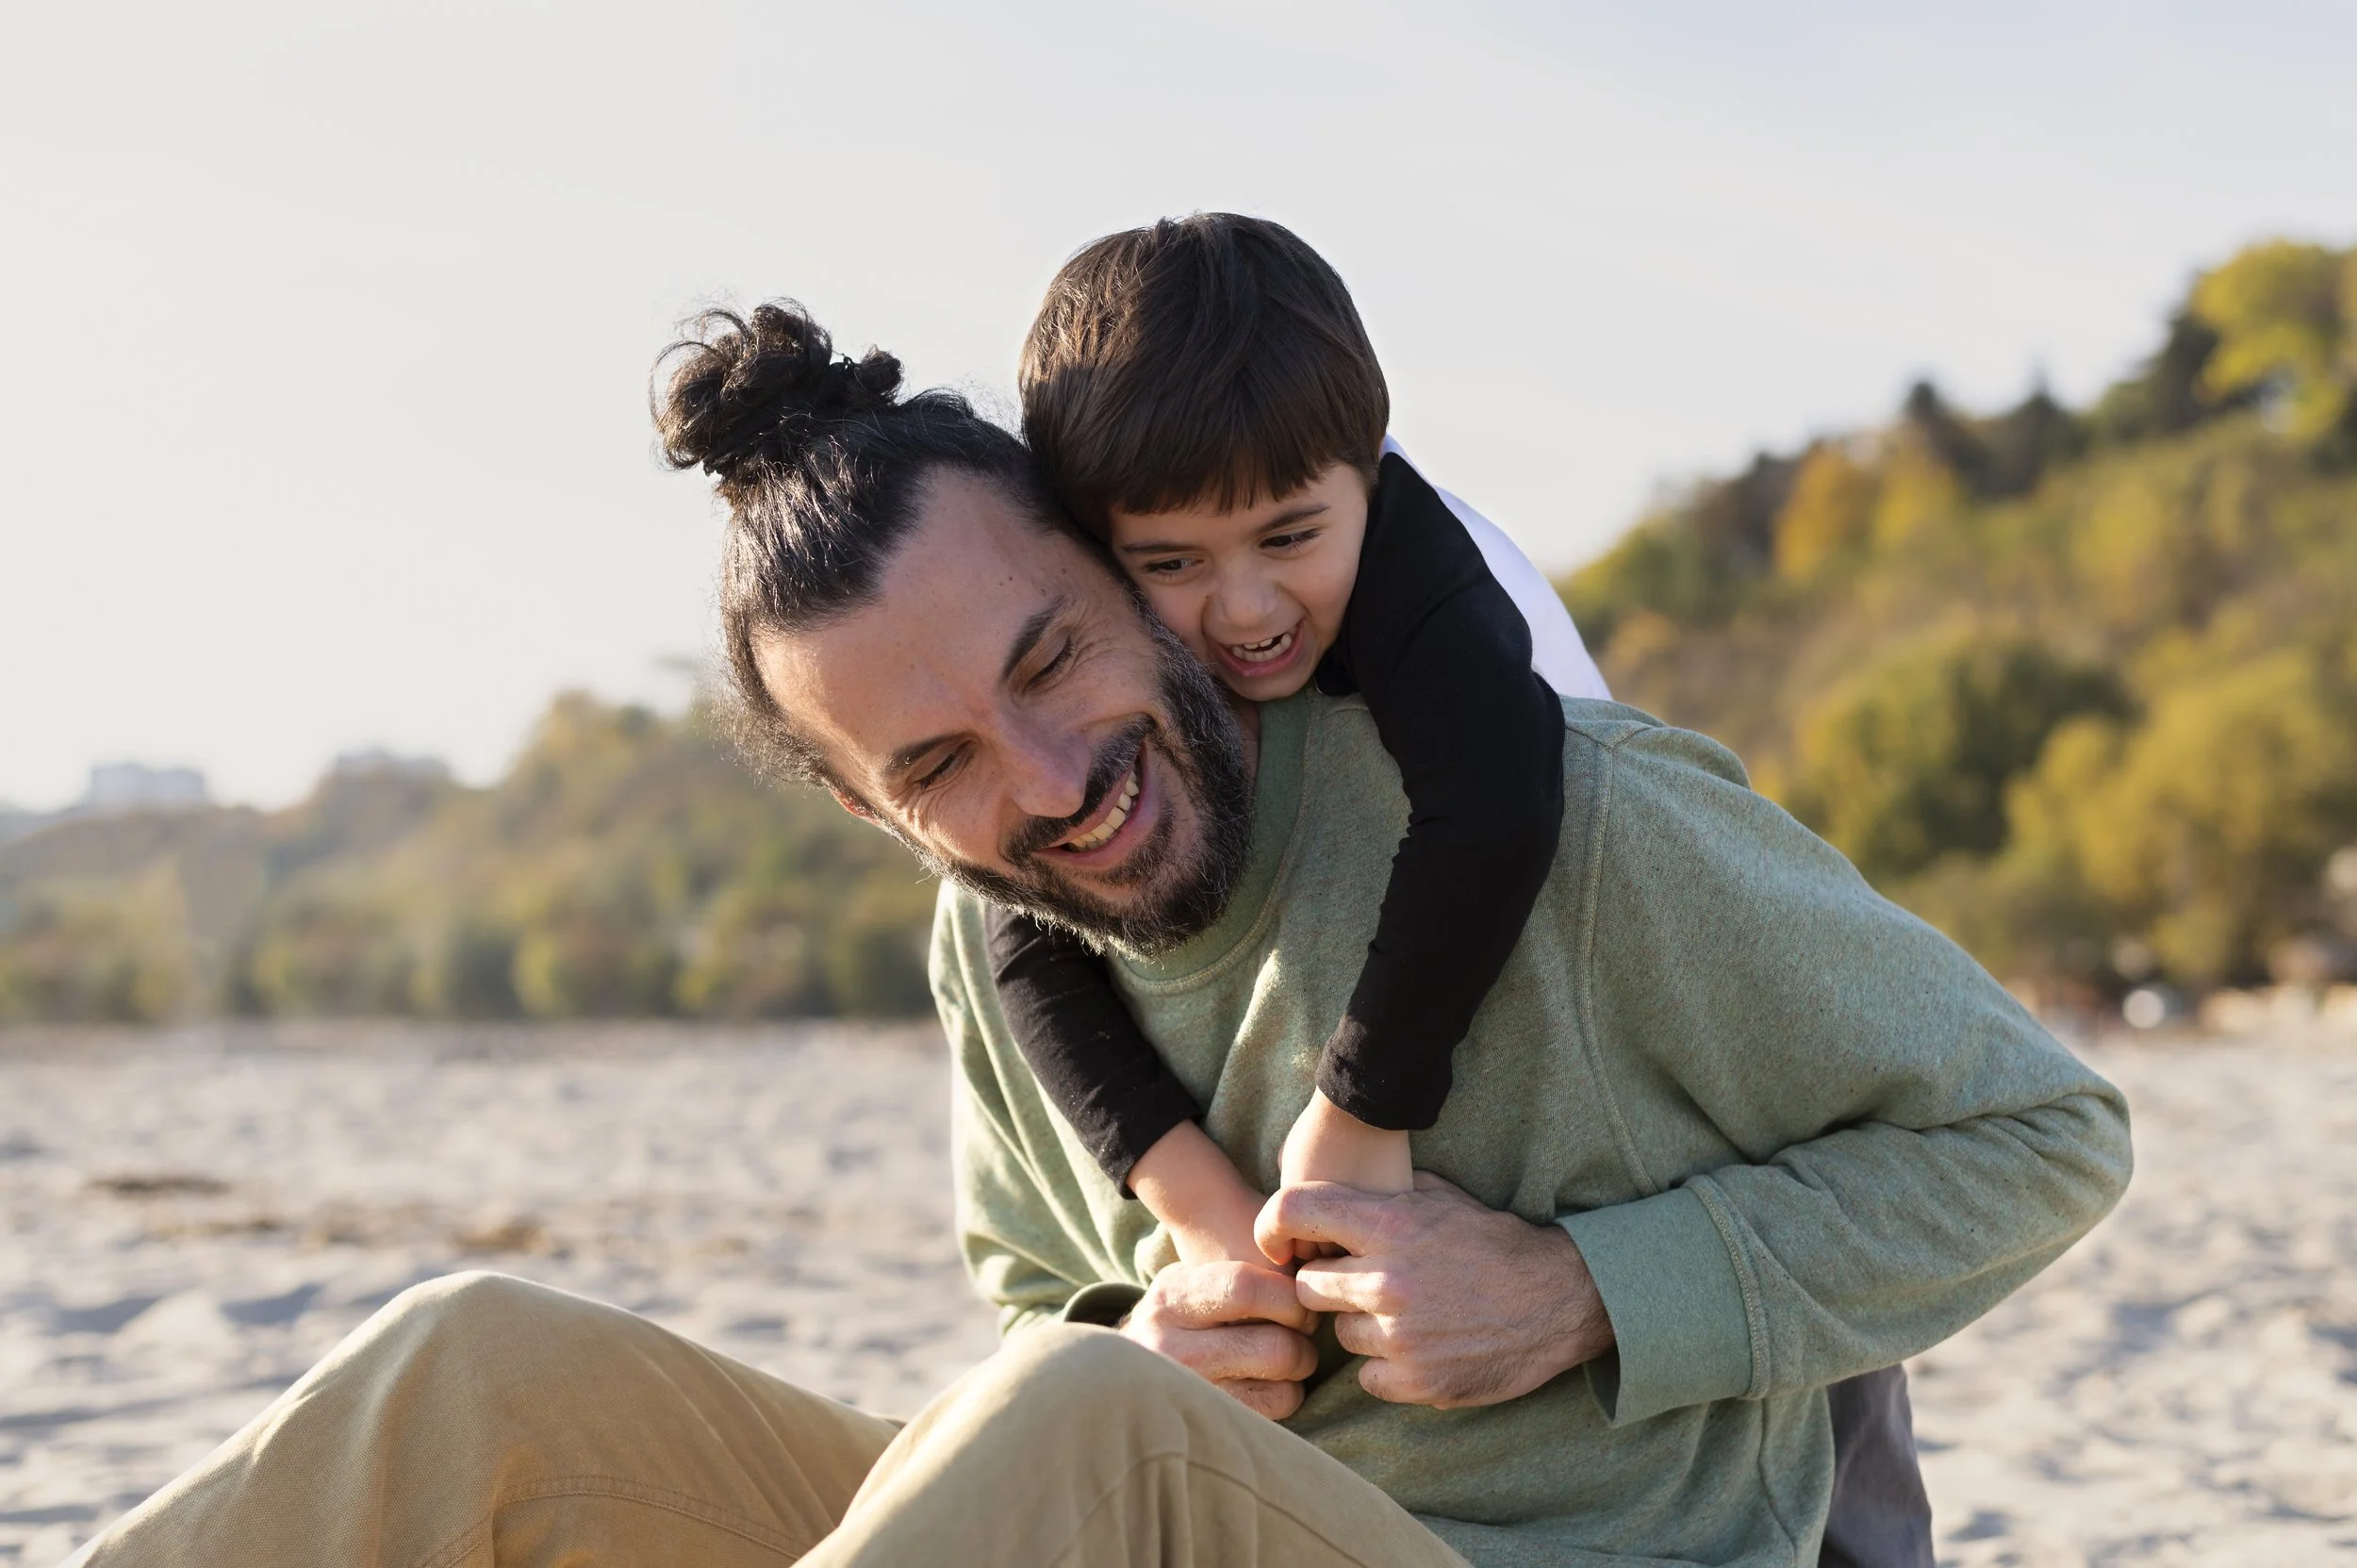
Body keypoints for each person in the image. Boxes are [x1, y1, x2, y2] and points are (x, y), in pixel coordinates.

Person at [69, 298, 2131, 1568]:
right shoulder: (999, 939)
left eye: (1052, 653)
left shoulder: (1572, 816)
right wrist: (1136, 1339)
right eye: (939, 767)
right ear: (874, 812)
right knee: (471, 1367)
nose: (1046, 777)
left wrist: (1591, 1290)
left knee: (1073, 1425)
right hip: (1155, 1527)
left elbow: (2039, 1137)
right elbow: (1039, 1289)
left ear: (1134, 564)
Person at [987, 216, 1607, 1272]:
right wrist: (1186, 1195)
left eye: (1289, 537)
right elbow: (1020, 937)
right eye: (1171, 562)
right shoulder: (1090, 625)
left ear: (1366, 469)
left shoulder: (1426, 574)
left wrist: (1360, 1109)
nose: (1244, 608)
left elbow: (1497, 808)